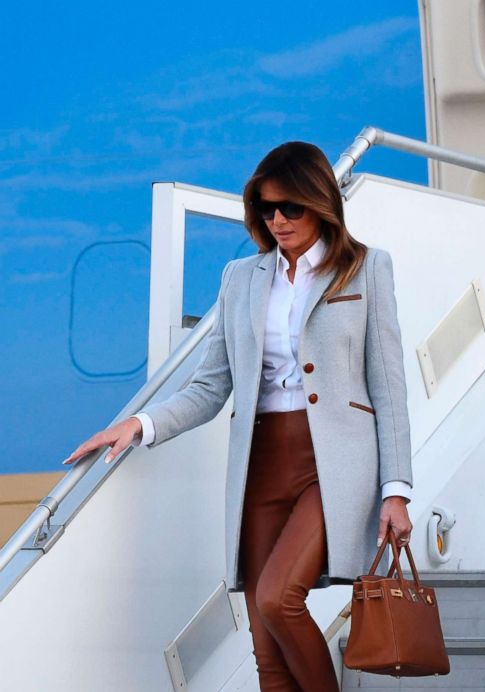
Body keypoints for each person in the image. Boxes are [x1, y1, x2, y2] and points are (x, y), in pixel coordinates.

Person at [65, 141, 414, 691]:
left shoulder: (367, 268)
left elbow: (389, 387)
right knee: (264, 644)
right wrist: (141, 425)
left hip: (335, 466)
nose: (278, 220)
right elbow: (211, 386)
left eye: (290, 207)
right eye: (267, 208)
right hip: (260, 466)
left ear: (320, 201)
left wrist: (395, 488)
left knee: (280, 598)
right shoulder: (240, 278)